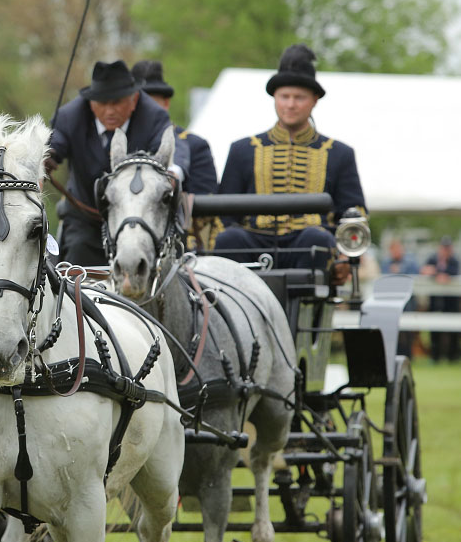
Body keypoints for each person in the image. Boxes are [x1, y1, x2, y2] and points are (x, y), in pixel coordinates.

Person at [213, 44, 366, 278]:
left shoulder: (339, 153)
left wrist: (346, 256)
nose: (290, 105)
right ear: (275, 97)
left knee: (318, 238)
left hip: (308, 243)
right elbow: (224, 213)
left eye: (299, 97)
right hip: (254, 242)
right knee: (229, 239)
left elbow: (353, 212)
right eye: (285, 96)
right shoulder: (243, 149)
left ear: (314, 100)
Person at [46, 60, 172, 265]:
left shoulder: (154, 117)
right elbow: (56, 141)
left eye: (116, 102)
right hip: (85, 220)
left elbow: (169, 150)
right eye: (102, 103)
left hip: (139, 218)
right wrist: (46, 156)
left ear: (134, 100)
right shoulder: (69, 117)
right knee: (76, 254)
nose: (109, 111)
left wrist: (174, 172)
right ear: (90, 103)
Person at [130, 60, 217, 195]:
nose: (143, 109)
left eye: (149, 102)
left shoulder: (196, 146)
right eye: (137, 103)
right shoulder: (118, 141)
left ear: (166, 103)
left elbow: (205, 204)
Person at [422, 236, 461, 362]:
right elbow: (424, 270)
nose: (446, 250)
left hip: (451, 301)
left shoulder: (454, 260)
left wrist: (437, 272)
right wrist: (438, 273)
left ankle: (453, 356)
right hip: (436, 300)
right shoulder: (432, 258)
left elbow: (454, 272)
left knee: (453, 329)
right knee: (434, 329)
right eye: (444, 248)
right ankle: (435, 356)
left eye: (448, 248)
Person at [381, 239, 420, 358]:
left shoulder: (410, 262)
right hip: (391, 299)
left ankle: (408, 353)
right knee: (392, 328)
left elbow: (414, 277)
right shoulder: (386, 262)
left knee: (408, 328)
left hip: (408, 300)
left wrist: (399, 271)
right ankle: (394, 353)